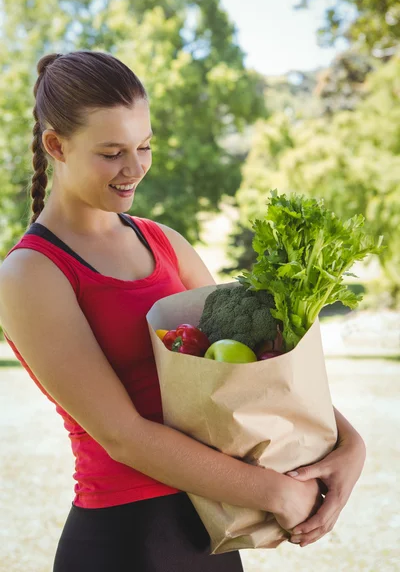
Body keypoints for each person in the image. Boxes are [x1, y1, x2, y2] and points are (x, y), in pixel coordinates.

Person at [0, 51, 366, 572]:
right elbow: (122, 434)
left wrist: (349, 445)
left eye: (144, 146)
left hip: (211, 534)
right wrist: (276, 493)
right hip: (126, 540)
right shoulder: (31, 274)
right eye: (111, 153)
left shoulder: (164, 242)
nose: (135, 168)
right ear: (56, 145)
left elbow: (256, 365)